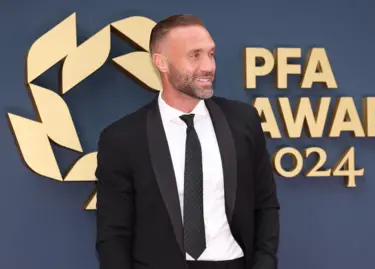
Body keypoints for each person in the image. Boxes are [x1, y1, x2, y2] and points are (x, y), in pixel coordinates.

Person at [95, 14, 280, 269]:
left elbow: (266, 204)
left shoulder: (243, 121)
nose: (209, 66)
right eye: (195, 55)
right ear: (161, 62)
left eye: (211, 54)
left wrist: (265, 262)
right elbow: (113, 234)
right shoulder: (122, 138)